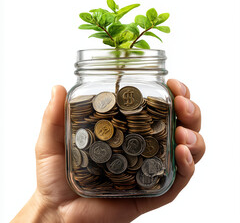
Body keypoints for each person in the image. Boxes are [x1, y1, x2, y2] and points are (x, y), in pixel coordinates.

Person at [11, 79, 205, 223]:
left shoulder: (160, 93)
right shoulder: (78, 95)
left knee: (181, 141)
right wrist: (51, 208)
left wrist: (53, 212)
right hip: (72, 194)